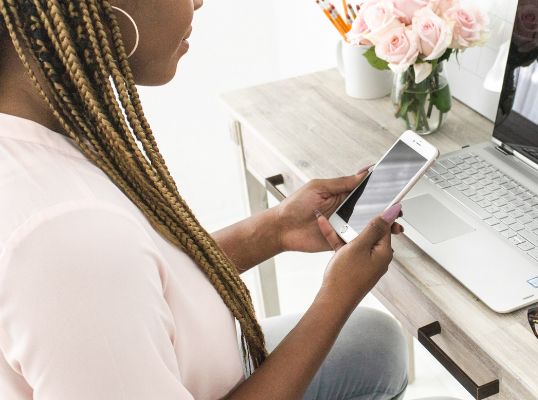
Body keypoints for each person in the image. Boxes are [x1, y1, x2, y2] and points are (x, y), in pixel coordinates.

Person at [0, 1, 458, 399]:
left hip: (186, 369)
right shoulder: (65, 240)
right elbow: (101, 270)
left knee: (376, 343)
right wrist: (336, 298)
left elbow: (146, 277)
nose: (199, 2)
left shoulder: (39, 135)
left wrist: (274, 229)